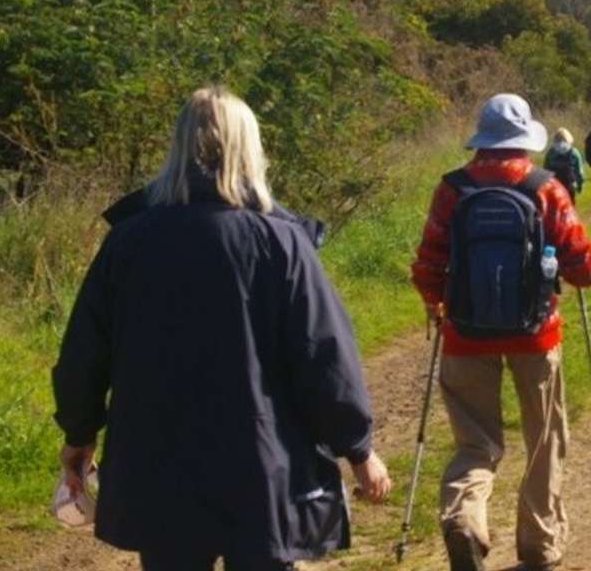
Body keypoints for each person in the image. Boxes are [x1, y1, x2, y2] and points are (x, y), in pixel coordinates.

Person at [52, 86, 393, 571]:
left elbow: (85, 354)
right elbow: (323, 356)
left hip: (159, 466)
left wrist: (79, 434)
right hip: (260, 469)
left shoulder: (127, 243)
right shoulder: (281, 243)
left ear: (177, 148)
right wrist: (357, 449)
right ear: (250, 149)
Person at [411, 93, 591, 571]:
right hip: (535, 335)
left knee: (475, 443)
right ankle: (539, 546)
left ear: (482, 138)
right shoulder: (546, 187)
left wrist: (435, 305)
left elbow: (428, 263)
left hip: (464, 333)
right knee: (544, 440)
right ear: (524, 141)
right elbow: (584, 268)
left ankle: (463, 518)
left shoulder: (451, 189)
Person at [541, 128, 586, 204]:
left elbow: (545, 169)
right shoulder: (574, 152)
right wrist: (580, 185)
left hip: (554, 184)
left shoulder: (551, 152)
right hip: (570, 185)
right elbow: (579, 171)